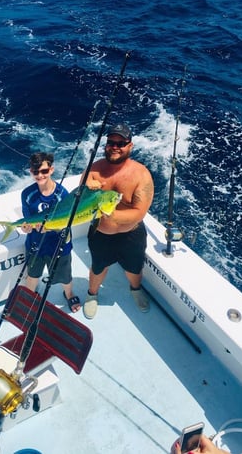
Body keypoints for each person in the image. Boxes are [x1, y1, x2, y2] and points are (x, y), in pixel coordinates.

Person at [82, 122, 154, 319]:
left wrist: (110, 214)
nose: (115, 146)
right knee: (98, 267)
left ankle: (135, 289)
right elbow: (79, 201)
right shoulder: (93, 170)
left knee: (134, 269)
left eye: (121, 143)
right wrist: (87, 185)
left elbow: (139, 213)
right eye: (111, 142)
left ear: (130, 146)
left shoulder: (141, 175)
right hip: (100, 234)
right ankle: (92, 294)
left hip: (131, 235)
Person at [20, 152, 81, 312]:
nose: (40, 175)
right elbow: (28, 220)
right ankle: (29, 297)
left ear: (51, 170)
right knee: (32, 275)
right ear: (31, 172)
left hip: (59, 244)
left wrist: (52, 227)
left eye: (44, 171)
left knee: (65, 276)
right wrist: (26, 228)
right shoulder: (27, 194)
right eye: (36, 172)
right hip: (35, 244)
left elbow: (67, 223)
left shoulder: (63, 195)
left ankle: (69, 293)